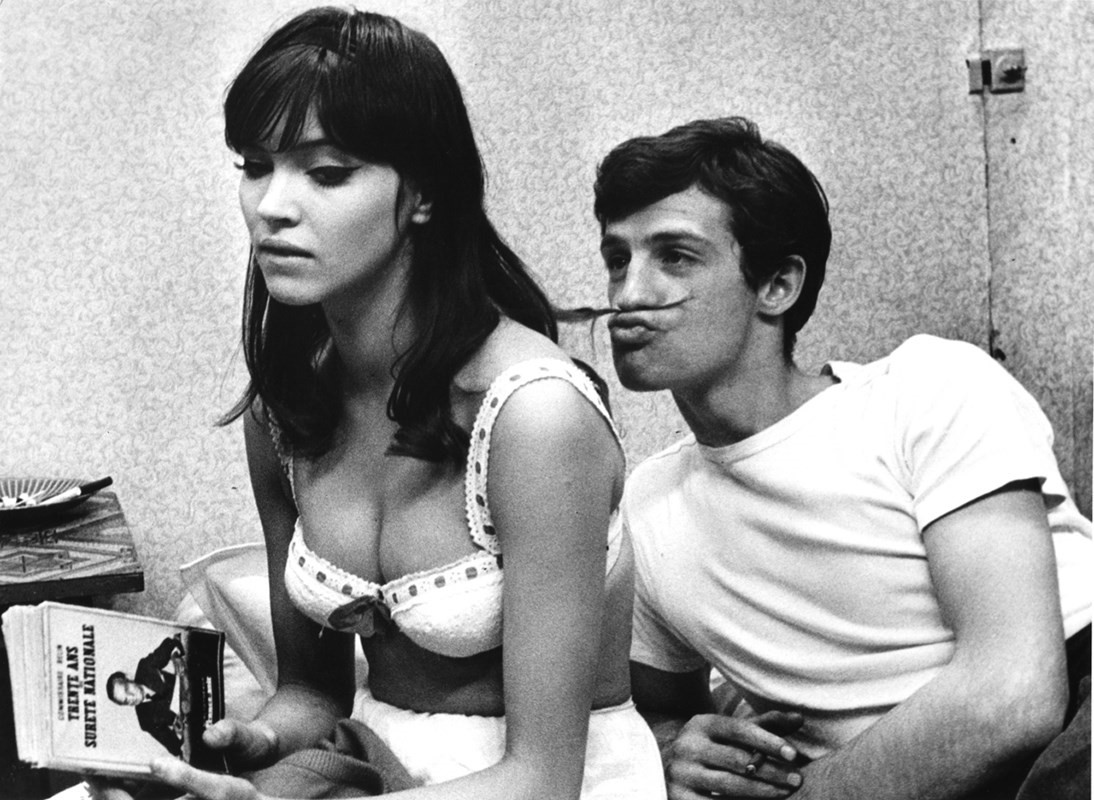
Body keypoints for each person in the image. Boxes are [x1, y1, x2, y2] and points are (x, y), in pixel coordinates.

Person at [100, 7, 664, 800]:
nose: (272, 205)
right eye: (255, 166)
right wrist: (249, 742)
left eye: (327, 172)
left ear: (424, 193)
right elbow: (314, 693)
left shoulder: (535, 417)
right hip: (374, 763)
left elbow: (542, 780)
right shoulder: (285, 411)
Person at [594, 116, 1092, 799]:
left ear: (777, 285)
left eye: (674, 257)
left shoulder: (926, 389)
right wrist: (672, 748)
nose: (627, 295)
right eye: (617, 259)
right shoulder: (650, 508)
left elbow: (1012, 696)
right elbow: (652, 715)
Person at [105, 636, 187, 757]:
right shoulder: (145, 720)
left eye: (127, 689)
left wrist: (175, 657)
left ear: (128, 678)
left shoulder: (145, 668)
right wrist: (179, 732)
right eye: (126, 701)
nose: (131, 697)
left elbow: (170, 644)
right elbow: (174, 747)